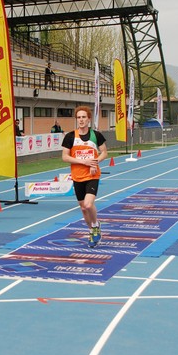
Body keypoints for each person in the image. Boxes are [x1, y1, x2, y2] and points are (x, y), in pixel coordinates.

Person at [61, 105, 107, 248]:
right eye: (79, 117)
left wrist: (94, 162)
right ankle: (92, 231)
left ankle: (95, 225)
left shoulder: (96, 135)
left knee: (88, 204)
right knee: (83, 208)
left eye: (84, 117)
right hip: (77, 176)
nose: (81, 120)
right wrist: (83, 161)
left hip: (92, 175)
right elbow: (65, 157)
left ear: (88, 119)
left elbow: (104, 152)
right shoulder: (70, 137)